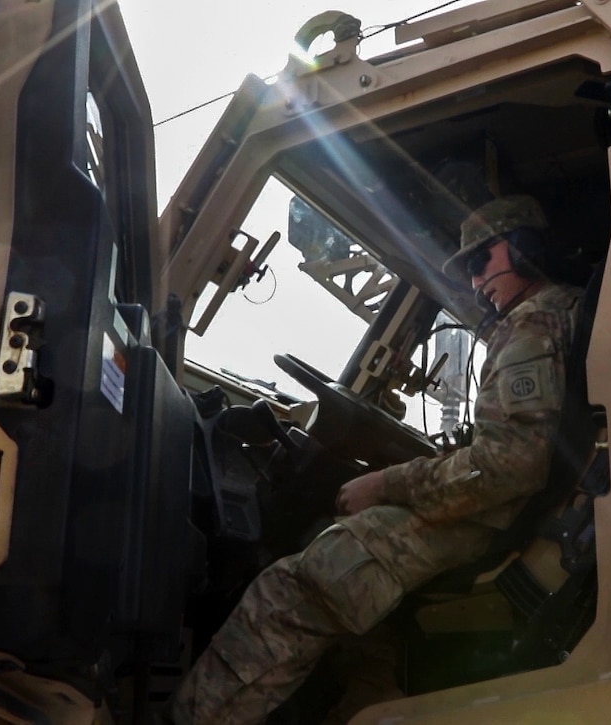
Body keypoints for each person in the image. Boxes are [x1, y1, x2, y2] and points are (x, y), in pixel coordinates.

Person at [167, 195, 582, 724]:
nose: (476, 283)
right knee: (370, 618)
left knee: (295, 591)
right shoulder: (563, 313)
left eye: (482, 261)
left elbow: (510, 464)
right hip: (519, 516)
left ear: (524, 251)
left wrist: (388, 484)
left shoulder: (533, 327)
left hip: (494, 519)